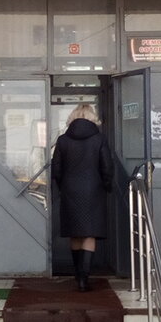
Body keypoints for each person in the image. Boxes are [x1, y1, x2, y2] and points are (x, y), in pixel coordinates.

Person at [51, 104, 113, 292]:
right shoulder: (99, 139)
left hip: (70, 190)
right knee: (89, 233)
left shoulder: (63, 140)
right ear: (92, 118)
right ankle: (84, 280)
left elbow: (56, 169)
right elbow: (107, 167)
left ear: (72, 117)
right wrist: (107, 185)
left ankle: (77, 274)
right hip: (93, 190)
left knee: (75, 232)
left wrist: (63, 186)